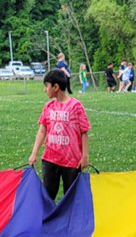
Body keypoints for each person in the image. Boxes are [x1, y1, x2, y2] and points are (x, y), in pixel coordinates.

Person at [27, 69, 90, 201]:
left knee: (71, 197)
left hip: (72, 162)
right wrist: (34, 153)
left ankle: (70, 221)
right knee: (47, 196)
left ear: (56, 87)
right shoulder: (48, 106)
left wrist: (84, 156)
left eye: (46, 86)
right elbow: (42, 130)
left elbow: (84, 131)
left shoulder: (76, 106)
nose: (45, 90)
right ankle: (47, 219)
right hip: (50, 159)